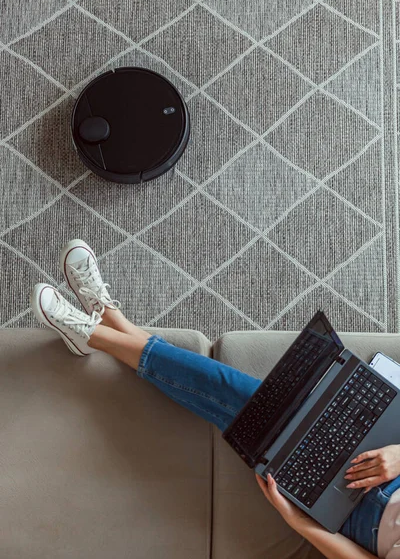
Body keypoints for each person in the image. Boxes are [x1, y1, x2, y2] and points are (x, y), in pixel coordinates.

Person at [31, 239, 400, 559]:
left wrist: (298, 522)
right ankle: (106, 328)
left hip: (353, 513)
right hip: (390, 451)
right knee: (260, 403)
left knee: (251, 406)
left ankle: (102, 329)